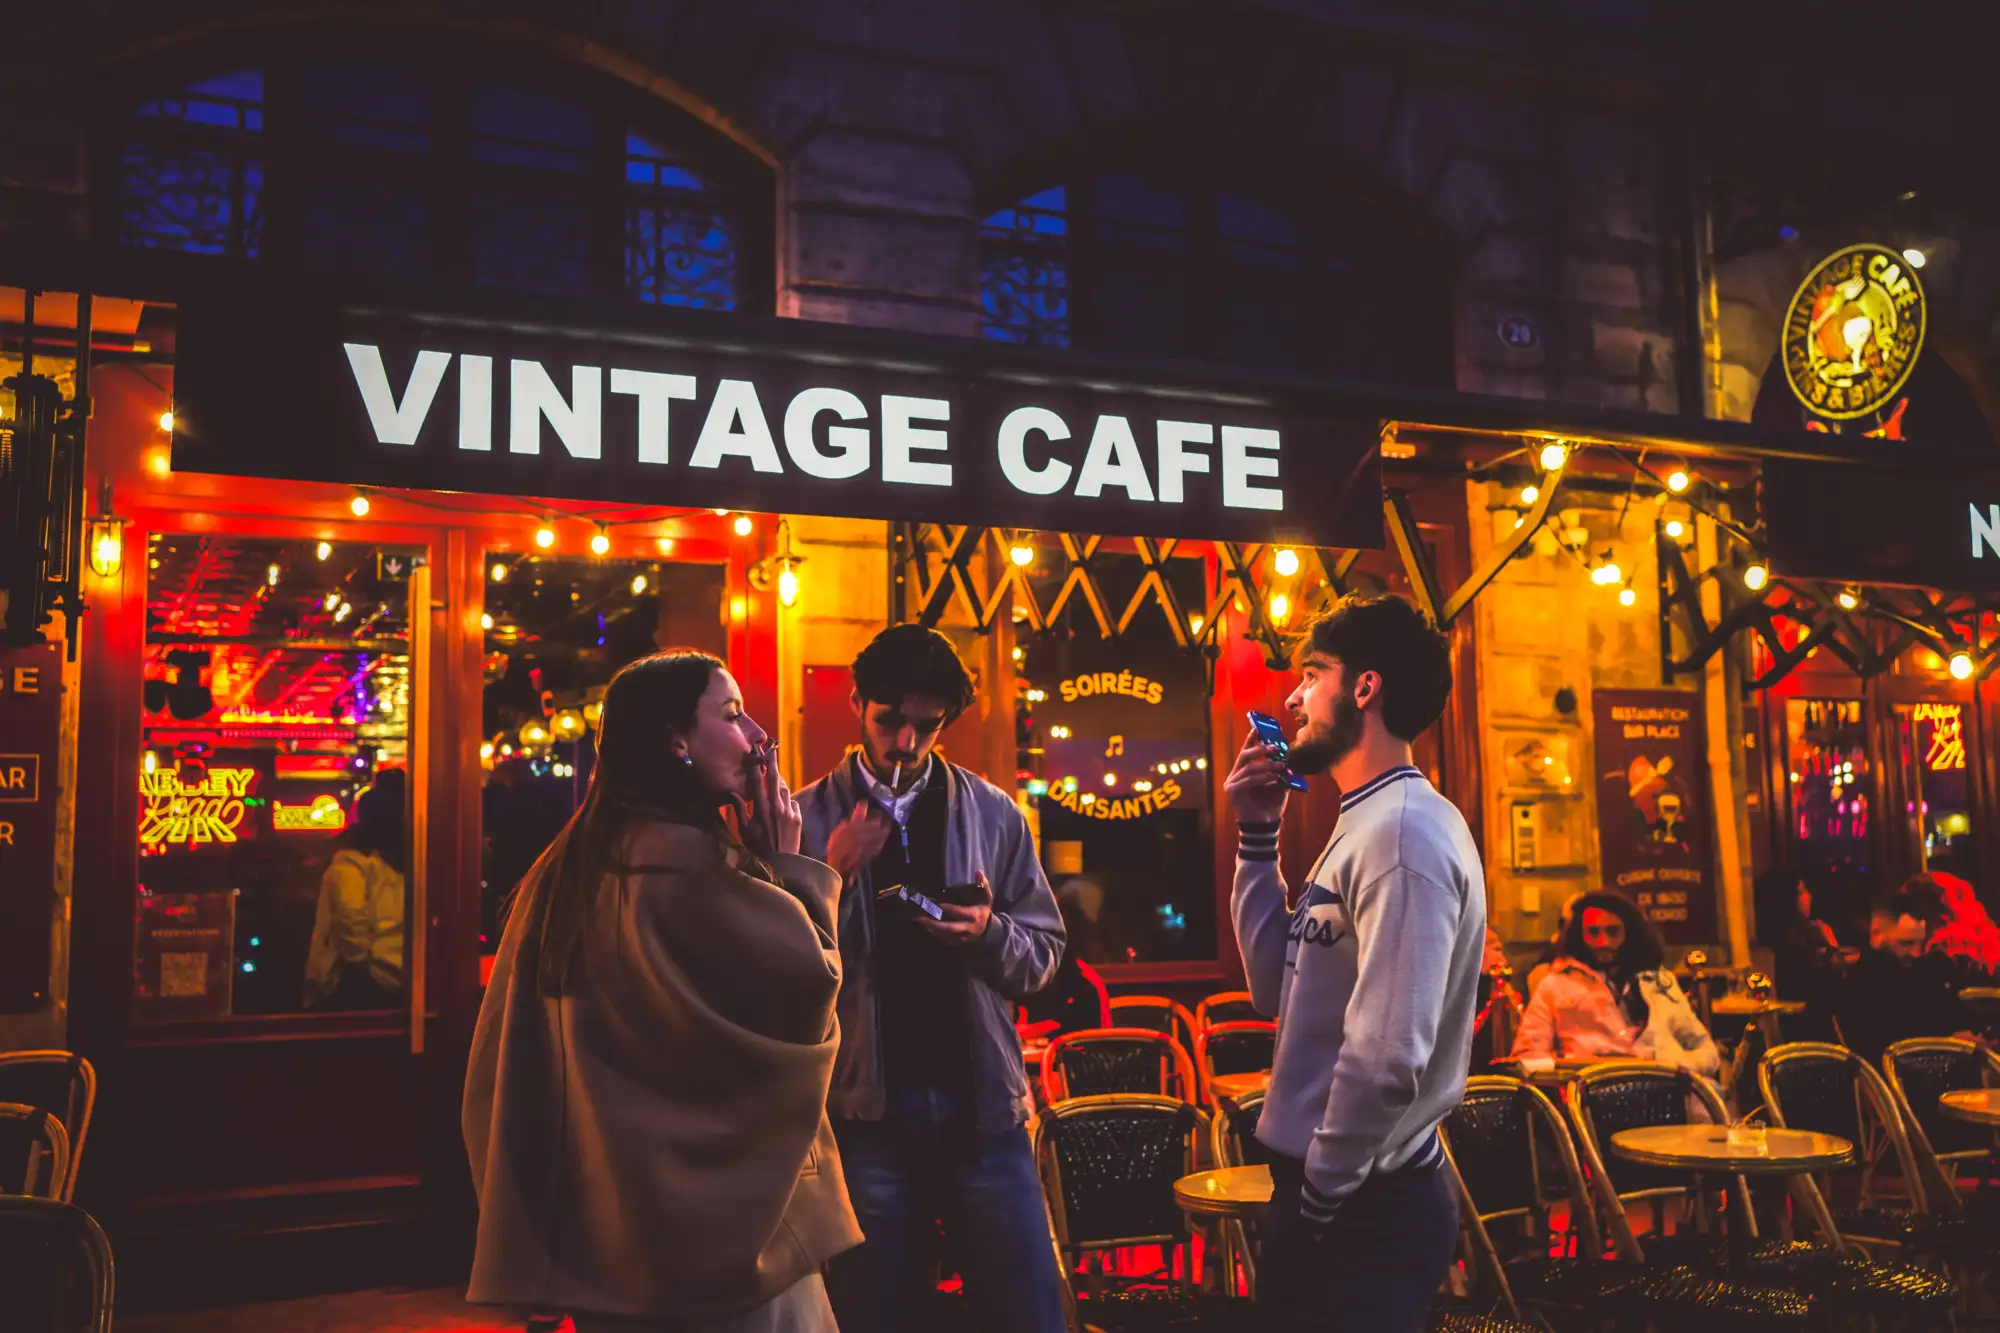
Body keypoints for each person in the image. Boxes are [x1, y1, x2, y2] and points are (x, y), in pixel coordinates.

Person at [463, 651, 860, 1333]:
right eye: (732, 715)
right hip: (742, 1252)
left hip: (613, 1251)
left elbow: (507, 1071)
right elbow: (808, 997)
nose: (758, 735)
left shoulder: (562, 875)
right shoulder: (704, 877)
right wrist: (792, 869)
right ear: (677, 740)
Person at [796, 624, 1068, 1333]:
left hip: (985, 1114)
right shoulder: (806, 816)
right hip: (867, 1117)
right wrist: (829, 874)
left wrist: (987, 933)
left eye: (927, 726)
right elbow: (777, 978)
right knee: (875, 1314)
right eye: (890, 720)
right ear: (858, 704)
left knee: (1027, 1312)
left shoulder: (993, 812)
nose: (907, 742)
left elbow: (1044, 955)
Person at [1226, 594, 1486, 1333]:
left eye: (1313, 673)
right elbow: (1272, 987)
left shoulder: (1403, 833)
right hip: (1340, 1188)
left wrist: (1319, 1192)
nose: (1293, 696)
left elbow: (1385, 1056)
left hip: (1363, 1200)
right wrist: (1255, 838)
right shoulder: (1364, 822)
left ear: (1363, 688)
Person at [1510, 891, 1720, 1075]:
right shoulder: (1555, 985)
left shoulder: (1658, 981)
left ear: (1629, 934)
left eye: (1613, 932)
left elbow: (1706, 1051)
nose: (1603, 942)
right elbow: (1529, 1058)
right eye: (1593, 932)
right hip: (1591, 1101)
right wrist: (1574, 1071)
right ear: (1579, 935)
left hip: (1667, 1096)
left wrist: (1674, 1067)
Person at [1834, 881, 1977, 1062]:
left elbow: (1954, 1016)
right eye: (1906, 943)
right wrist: (1949, 1040)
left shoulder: (1929, 969)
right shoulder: (1864, 983)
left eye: (1920, 943)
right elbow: (1882, 1045)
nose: (1916, 953)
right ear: (1876, 934)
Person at [304, 768, 406, 1010]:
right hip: (386, 975)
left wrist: (361, 964)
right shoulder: (394, 861)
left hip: (367, 977)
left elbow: (352, 922)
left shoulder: (352, 861)